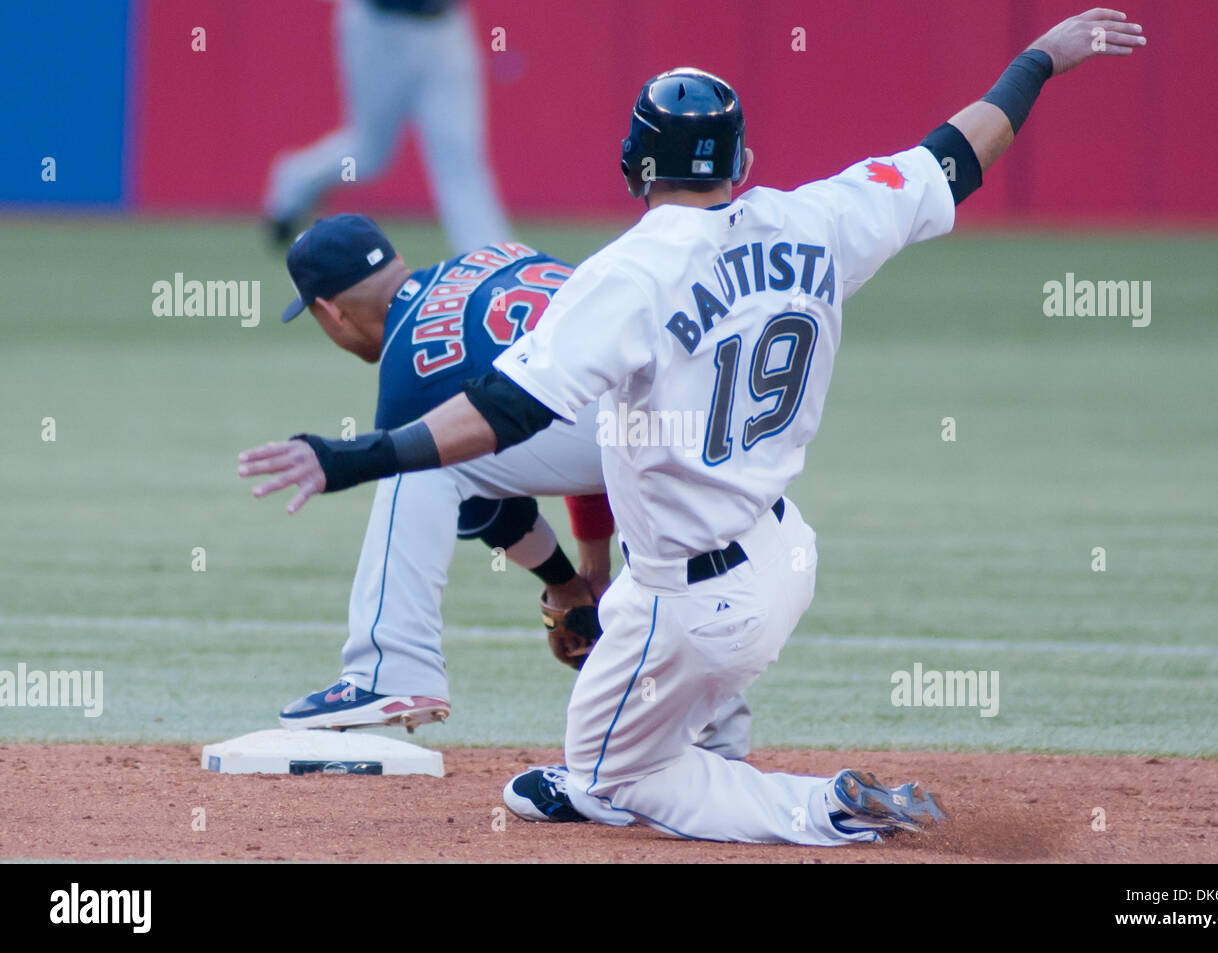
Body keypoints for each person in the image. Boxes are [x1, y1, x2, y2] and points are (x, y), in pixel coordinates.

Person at [239, 9, 1146, 844]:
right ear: (742, 162)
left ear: (635, 165)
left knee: (599, 773)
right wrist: (1040, 59)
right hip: (777, 551)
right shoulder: (820, 217)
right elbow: (958, 154)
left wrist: (354, 457)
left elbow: (510, 412)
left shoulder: (630, 272)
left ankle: (820, 805)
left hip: (689, 590)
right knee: (592, 724)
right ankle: (688, 741)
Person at [262, 213, 753, 758]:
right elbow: (574, 394)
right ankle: (714, 738)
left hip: (633, 420)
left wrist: (562, 584)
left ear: (329, 312)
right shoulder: (494, 256)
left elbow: (491, 508)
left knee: (415, 459)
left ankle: (391, 670)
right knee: (673, 569)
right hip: (720, 402)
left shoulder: (409, 365)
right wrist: (591, 574)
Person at [263, 0, 509, 253]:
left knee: (460, 154)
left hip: (446, 26)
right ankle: (297, 180)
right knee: (368, 155)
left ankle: (491, 260)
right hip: (380, 27)